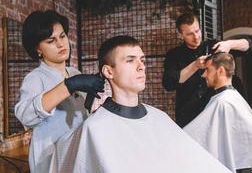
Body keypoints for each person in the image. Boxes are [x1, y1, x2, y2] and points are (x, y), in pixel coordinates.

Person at [49, 35, 231, 173]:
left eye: (142, 60)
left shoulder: (159, 118)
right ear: (108, 72)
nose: (141, 66)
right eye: (130, 60)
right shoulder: (95, 129)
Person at [14, 10, 105, 172]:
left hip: (77, 154)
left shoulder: (75, 73)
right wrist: (69, 85)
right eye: (51, 40)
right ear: (37, 49)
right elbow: (25, 116)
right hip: (51, 159)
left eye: (62, 36)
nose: (60, 44)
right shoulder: (35, 78)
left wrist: (90, 104)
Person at [162, 12, 252, 127]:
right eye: (189, 34)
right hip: (189, 115)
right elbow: (168, 83)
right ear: (181, 35)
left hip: (216, 114)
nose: (196, 37)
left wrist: (229, 44)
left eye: (197, 31)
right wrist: (194, 66)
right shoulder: (174, 55)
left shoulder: (214, 46)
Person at [184, 52, 252, 173]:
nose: (204, 75)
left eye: (208, 69)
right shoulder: (233, 98)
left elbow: (195, 134)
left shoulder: (223, 102)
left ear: (221, 71)